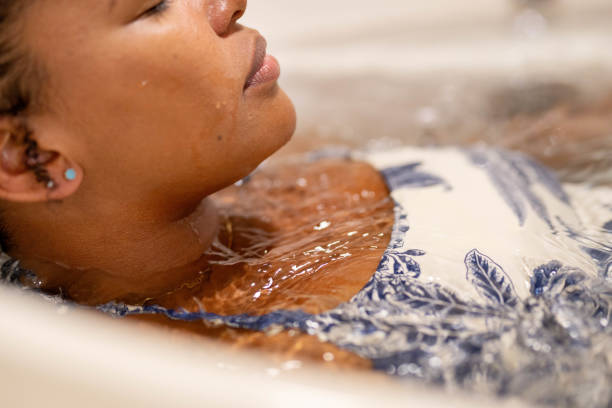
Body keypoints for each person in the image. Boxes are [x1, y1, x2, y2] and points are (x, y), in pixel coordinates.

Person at [0, 1, 610, 405]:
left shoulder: (264, 174)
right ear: (25, 158)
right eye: (154, 3)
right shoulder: (265, 372)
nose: (229, 2)